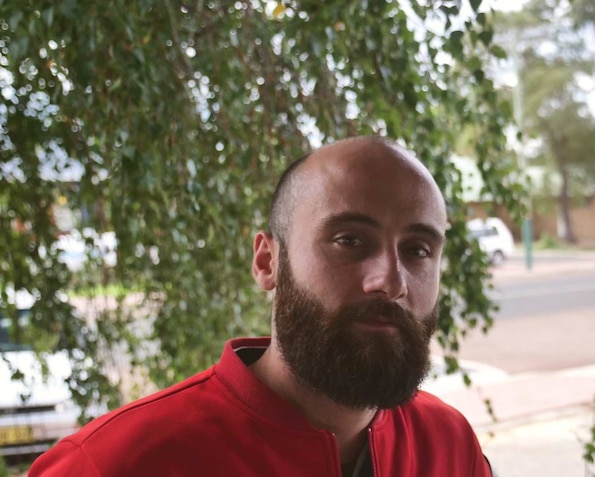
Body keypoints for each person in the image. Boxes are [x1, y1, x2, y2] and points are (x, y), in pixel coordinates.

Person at [30, 136, 495, 476]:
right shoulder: (113, 464)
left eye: (418, 250)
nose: (390, 281)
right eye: (349, 240)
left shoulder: (448, 444)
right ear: (267, 261)